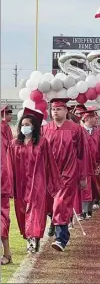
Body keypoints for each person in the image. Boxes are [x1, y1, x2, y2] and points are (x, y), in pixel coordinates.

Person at [6, 108, 62, 253]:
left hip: (38, 183)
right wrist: (9, 186)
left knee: (36, 211)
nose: (25, 127)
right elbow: (9, 166)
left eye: (28, 124)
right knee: (22, 212)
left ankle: (34, 238)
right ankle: (28, 237)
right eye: (23, 124)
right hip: (21, 184)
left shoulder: (43, 143)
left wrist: (53, 183)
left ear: (34, 126)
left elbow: (50, 163)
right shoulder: (14, 144)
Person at [42, 98, 88, 251]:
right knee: (51, 204)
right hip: (49, 173)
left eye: (59, 109)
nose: (55, 111)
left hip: (68, 172)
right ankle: (57, 225)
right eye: (53, 109)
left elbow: (82, 155)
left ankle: (61, 238)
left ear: (66, 111)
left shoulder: (76, 129)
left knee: (60, 203)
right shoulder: (45, 129)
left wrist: (83, 177)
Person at [79, 107, 100, 219]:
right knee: (83, 187)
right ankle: (83, 211)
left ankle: (93, 204)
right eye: (94, 117)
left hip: (96, 165)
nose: (97, 119)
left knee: (95, 186)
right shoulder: (78, 131)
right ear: (87, 118)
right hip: (82, 167)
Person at [1, 105, 13, 265]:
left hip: (2, 179)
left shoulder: (3, 128)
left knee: (2, 217)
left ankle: (7, 252)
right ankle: (7, 252)